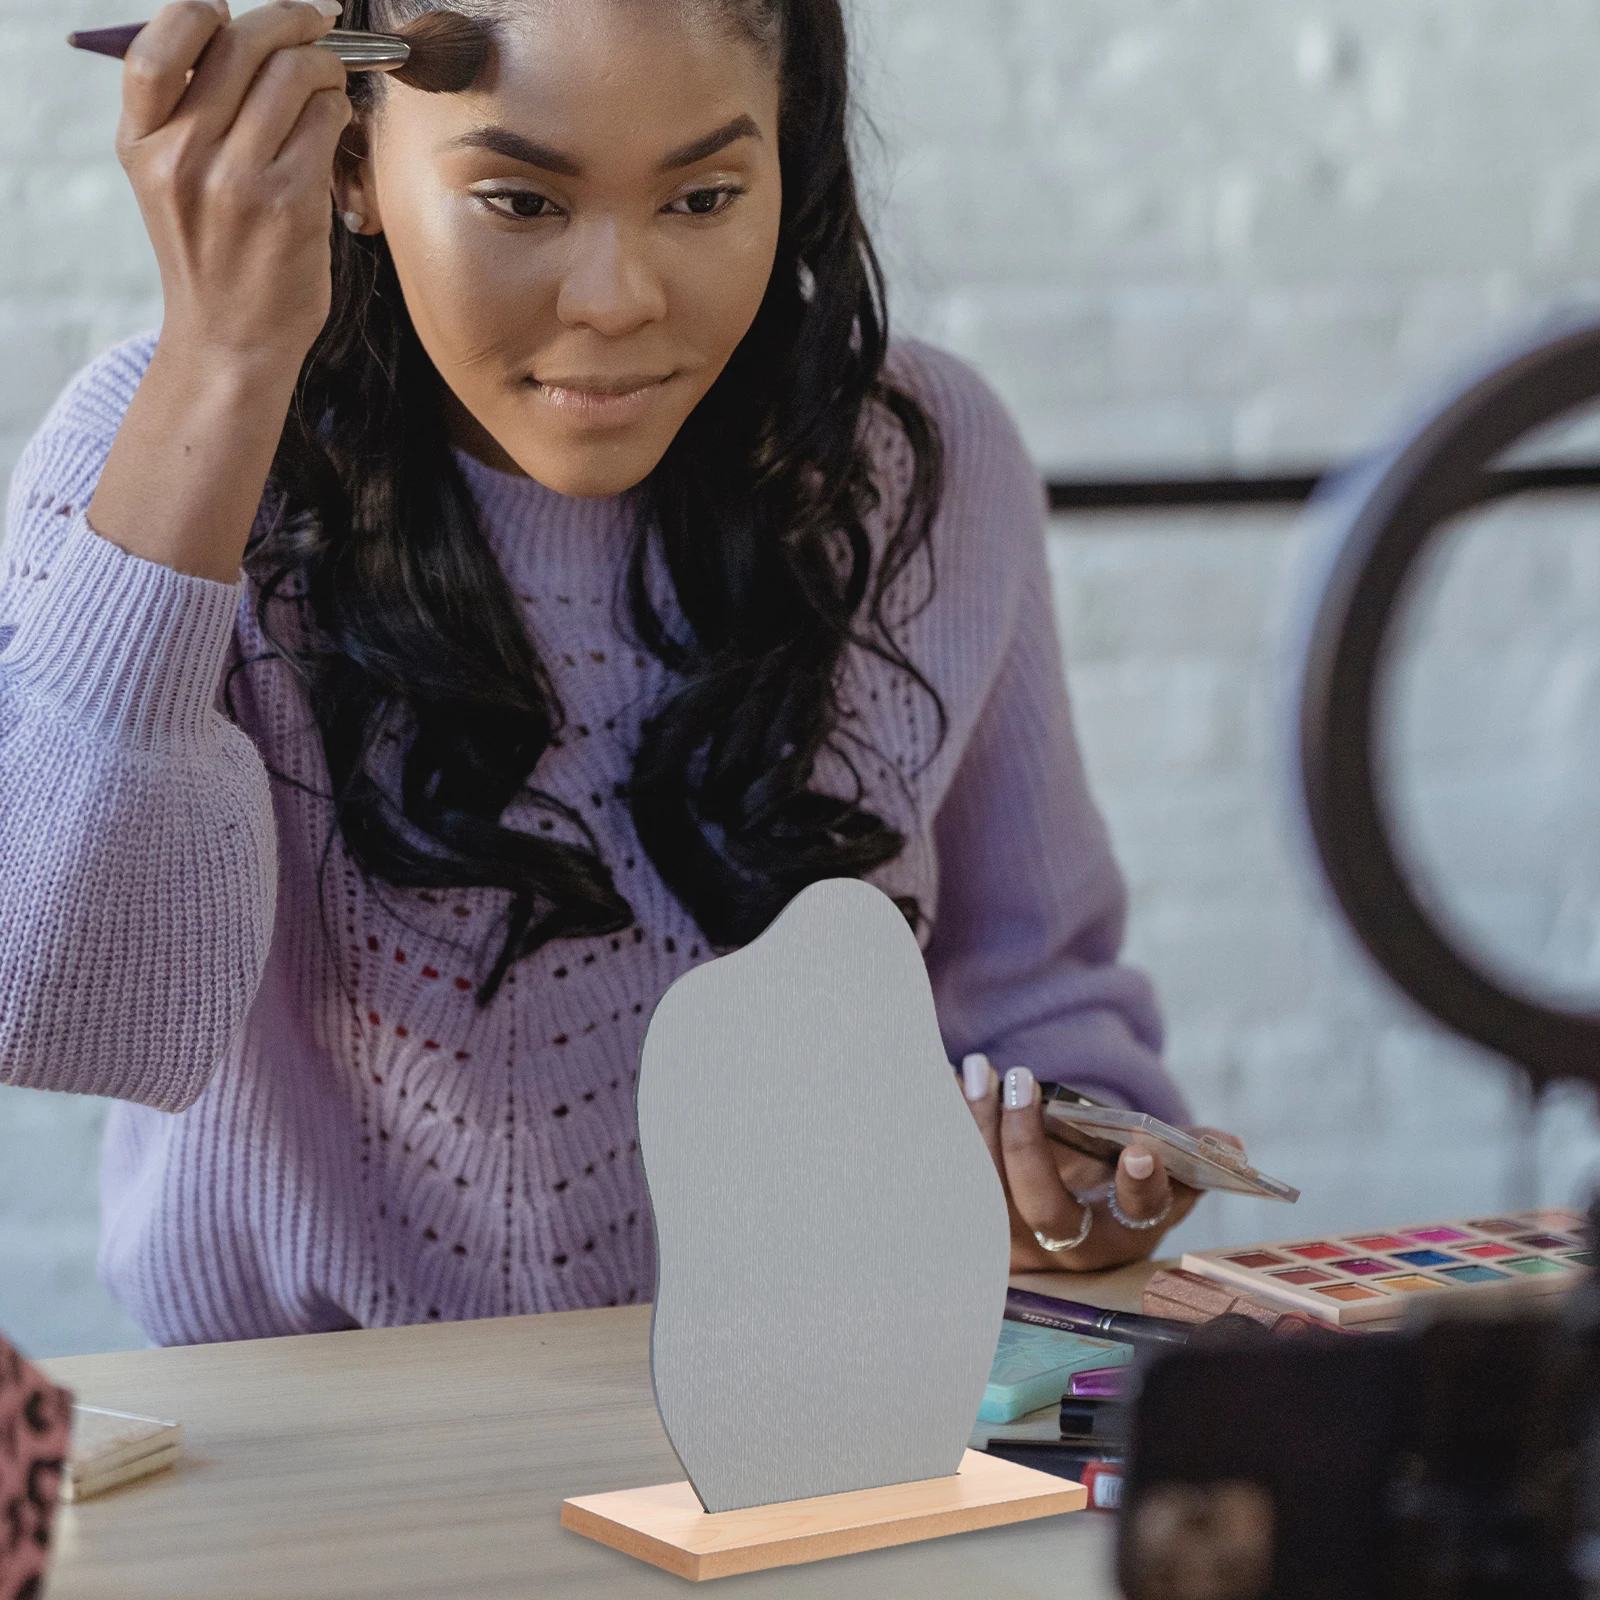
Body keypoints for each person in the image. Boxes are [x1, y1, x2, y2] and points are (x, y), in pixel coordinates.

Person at [0, 0, 1240, 1346]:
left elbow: (1033, 994)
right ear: (351, 163)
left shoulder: (912, 460)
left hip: (797, 1398)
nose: (619, 298)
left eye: (703, 198)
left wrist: (1067, 1186)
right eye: (522, 203)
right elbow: (47, 1005)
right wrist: (225, 360)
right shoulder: (163, 450)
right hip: (314, 1426)